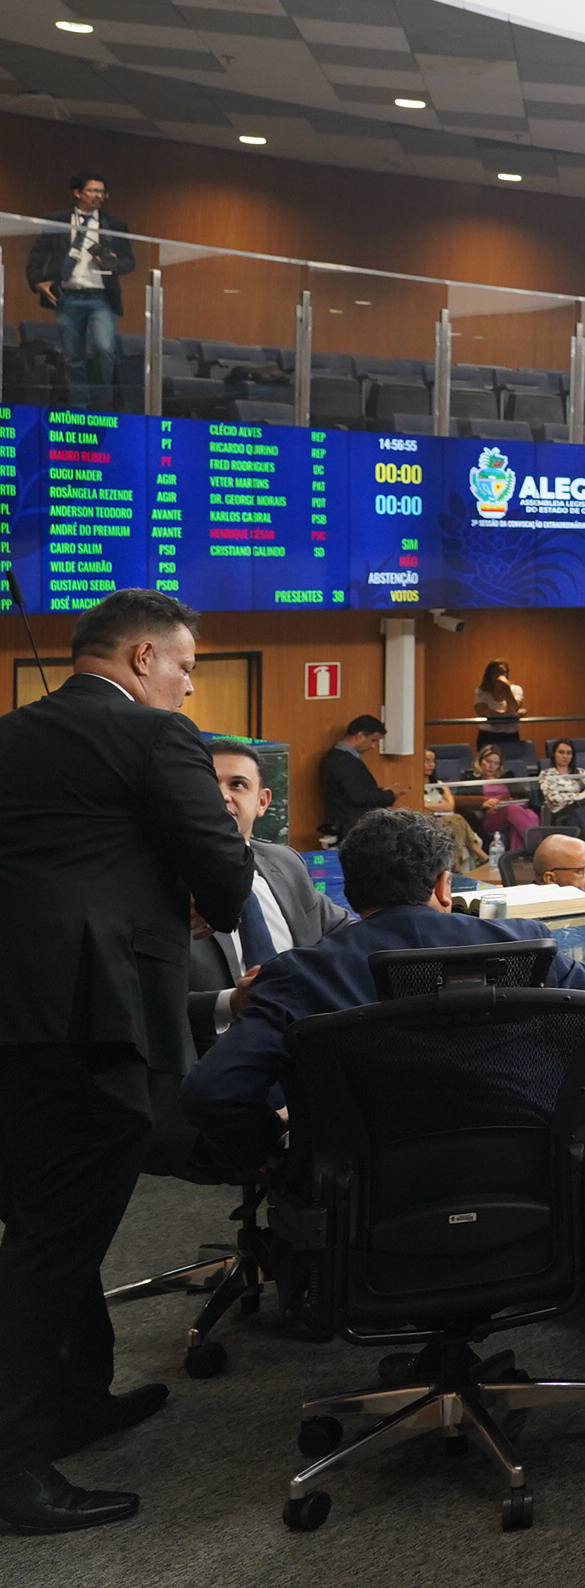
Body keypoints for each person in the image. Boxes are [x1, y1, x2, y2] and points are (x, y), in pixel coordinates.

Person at [181, 809, 585, 1386]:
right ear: (444, 885)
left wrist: (273, 1157)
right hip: (532, 1186)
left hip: (372, 1204)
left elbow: (212, 1093)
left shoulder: (301, 975)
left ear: (351, 890)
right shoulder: (523, 948)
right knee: (578, 1155)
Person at [0, 589, 250, 1534]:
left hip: (17, 1016)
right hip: (93, 1020)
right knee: (54, 1240)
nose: (187, 687)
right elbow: (225, 876)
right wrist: (183, 887)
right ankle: (11, 1465)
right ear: (143, 658)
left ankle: (71, 1399)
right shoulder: (156, 736)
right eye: (184, 667)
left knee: (42, 1217)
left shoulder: (9, 736)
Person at [186, 740, 357, 1053]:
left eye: (237, 784)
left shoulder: (285, 863)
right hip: (213, 1060)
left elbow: (349, 934)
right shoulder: (157, 883)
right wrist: (230, 1003)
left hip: (310, 1050)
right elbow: (143, 1003)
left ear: (262, 802)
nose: (223, 795)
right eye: (208, 783)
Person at [24, 172, 134, 412]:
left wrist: (114, 262)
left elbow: (129, 262)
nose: (99, 196)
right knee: (73, 357)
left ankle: (101, 404)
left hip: (101, 297)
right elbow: (37, 255)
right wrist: (37, 283)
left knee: (105, 349)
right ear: (78, 193)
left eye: (102, 192)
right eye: (93, 191)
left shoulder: (114, 225)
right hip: (68, 296)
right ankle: (79, 407)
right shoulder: (57, 221)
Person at [318, 712, 395, 838]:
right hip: (349, 828)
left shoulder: (339, 758)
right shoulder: (343, 761)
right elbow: (358, 796)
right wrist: (389, 795)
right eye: (373, 740)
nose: (373, 746)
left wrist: (380, 792)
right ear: (360, 736)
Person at [418, 747, 487, 871]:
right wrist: (439, 806)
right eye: (427, 761)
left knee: (455, 822)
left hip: (446, 820)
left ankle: (458, 865)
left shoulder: (440, 784)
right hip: (428, 822)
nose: (431, 765)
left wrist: (428, 805)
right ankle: (481, 856)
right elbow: (419, 807)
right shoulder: (414, 786)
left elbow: (450, 806)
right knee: (456, 820)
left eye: (433, 761)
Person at [469, 743, 539, 852]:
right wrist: (483, 802)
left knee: (529, 816)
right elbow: (460, 800)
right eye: (488, 761)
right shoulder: (471, 778)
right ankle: (538, 846)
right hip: (489, 816)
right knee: (514, 809)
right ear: (480, 761)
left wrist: (510, 800)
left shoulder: (505, 777)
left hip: (509, 812)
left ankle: (517, 857)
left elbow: (523, 793)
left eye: (496, 763)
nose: (492, 766)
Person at [471, 660, 525, 750]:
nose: (498, 675)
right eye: (495, 672)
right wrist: (509, 714)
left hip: (510, 735)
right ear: (489, 675)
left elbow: (513, 708)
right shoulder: (481, 691)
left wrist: (506, 689)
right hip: (488, 735)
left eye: (502, 672)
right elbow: (482, 711)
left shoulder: (516, 689)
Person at [536, 737, 585, 818]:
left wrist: (567, 798)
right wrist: (577, 795)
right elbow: (554, 799)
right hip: (559, 814)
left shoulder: (580, 772)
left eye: (569, 753)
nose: (565, 756)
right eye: (561, 752)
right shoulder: (546, 774)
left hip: (580, 811)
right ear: (554, 754)